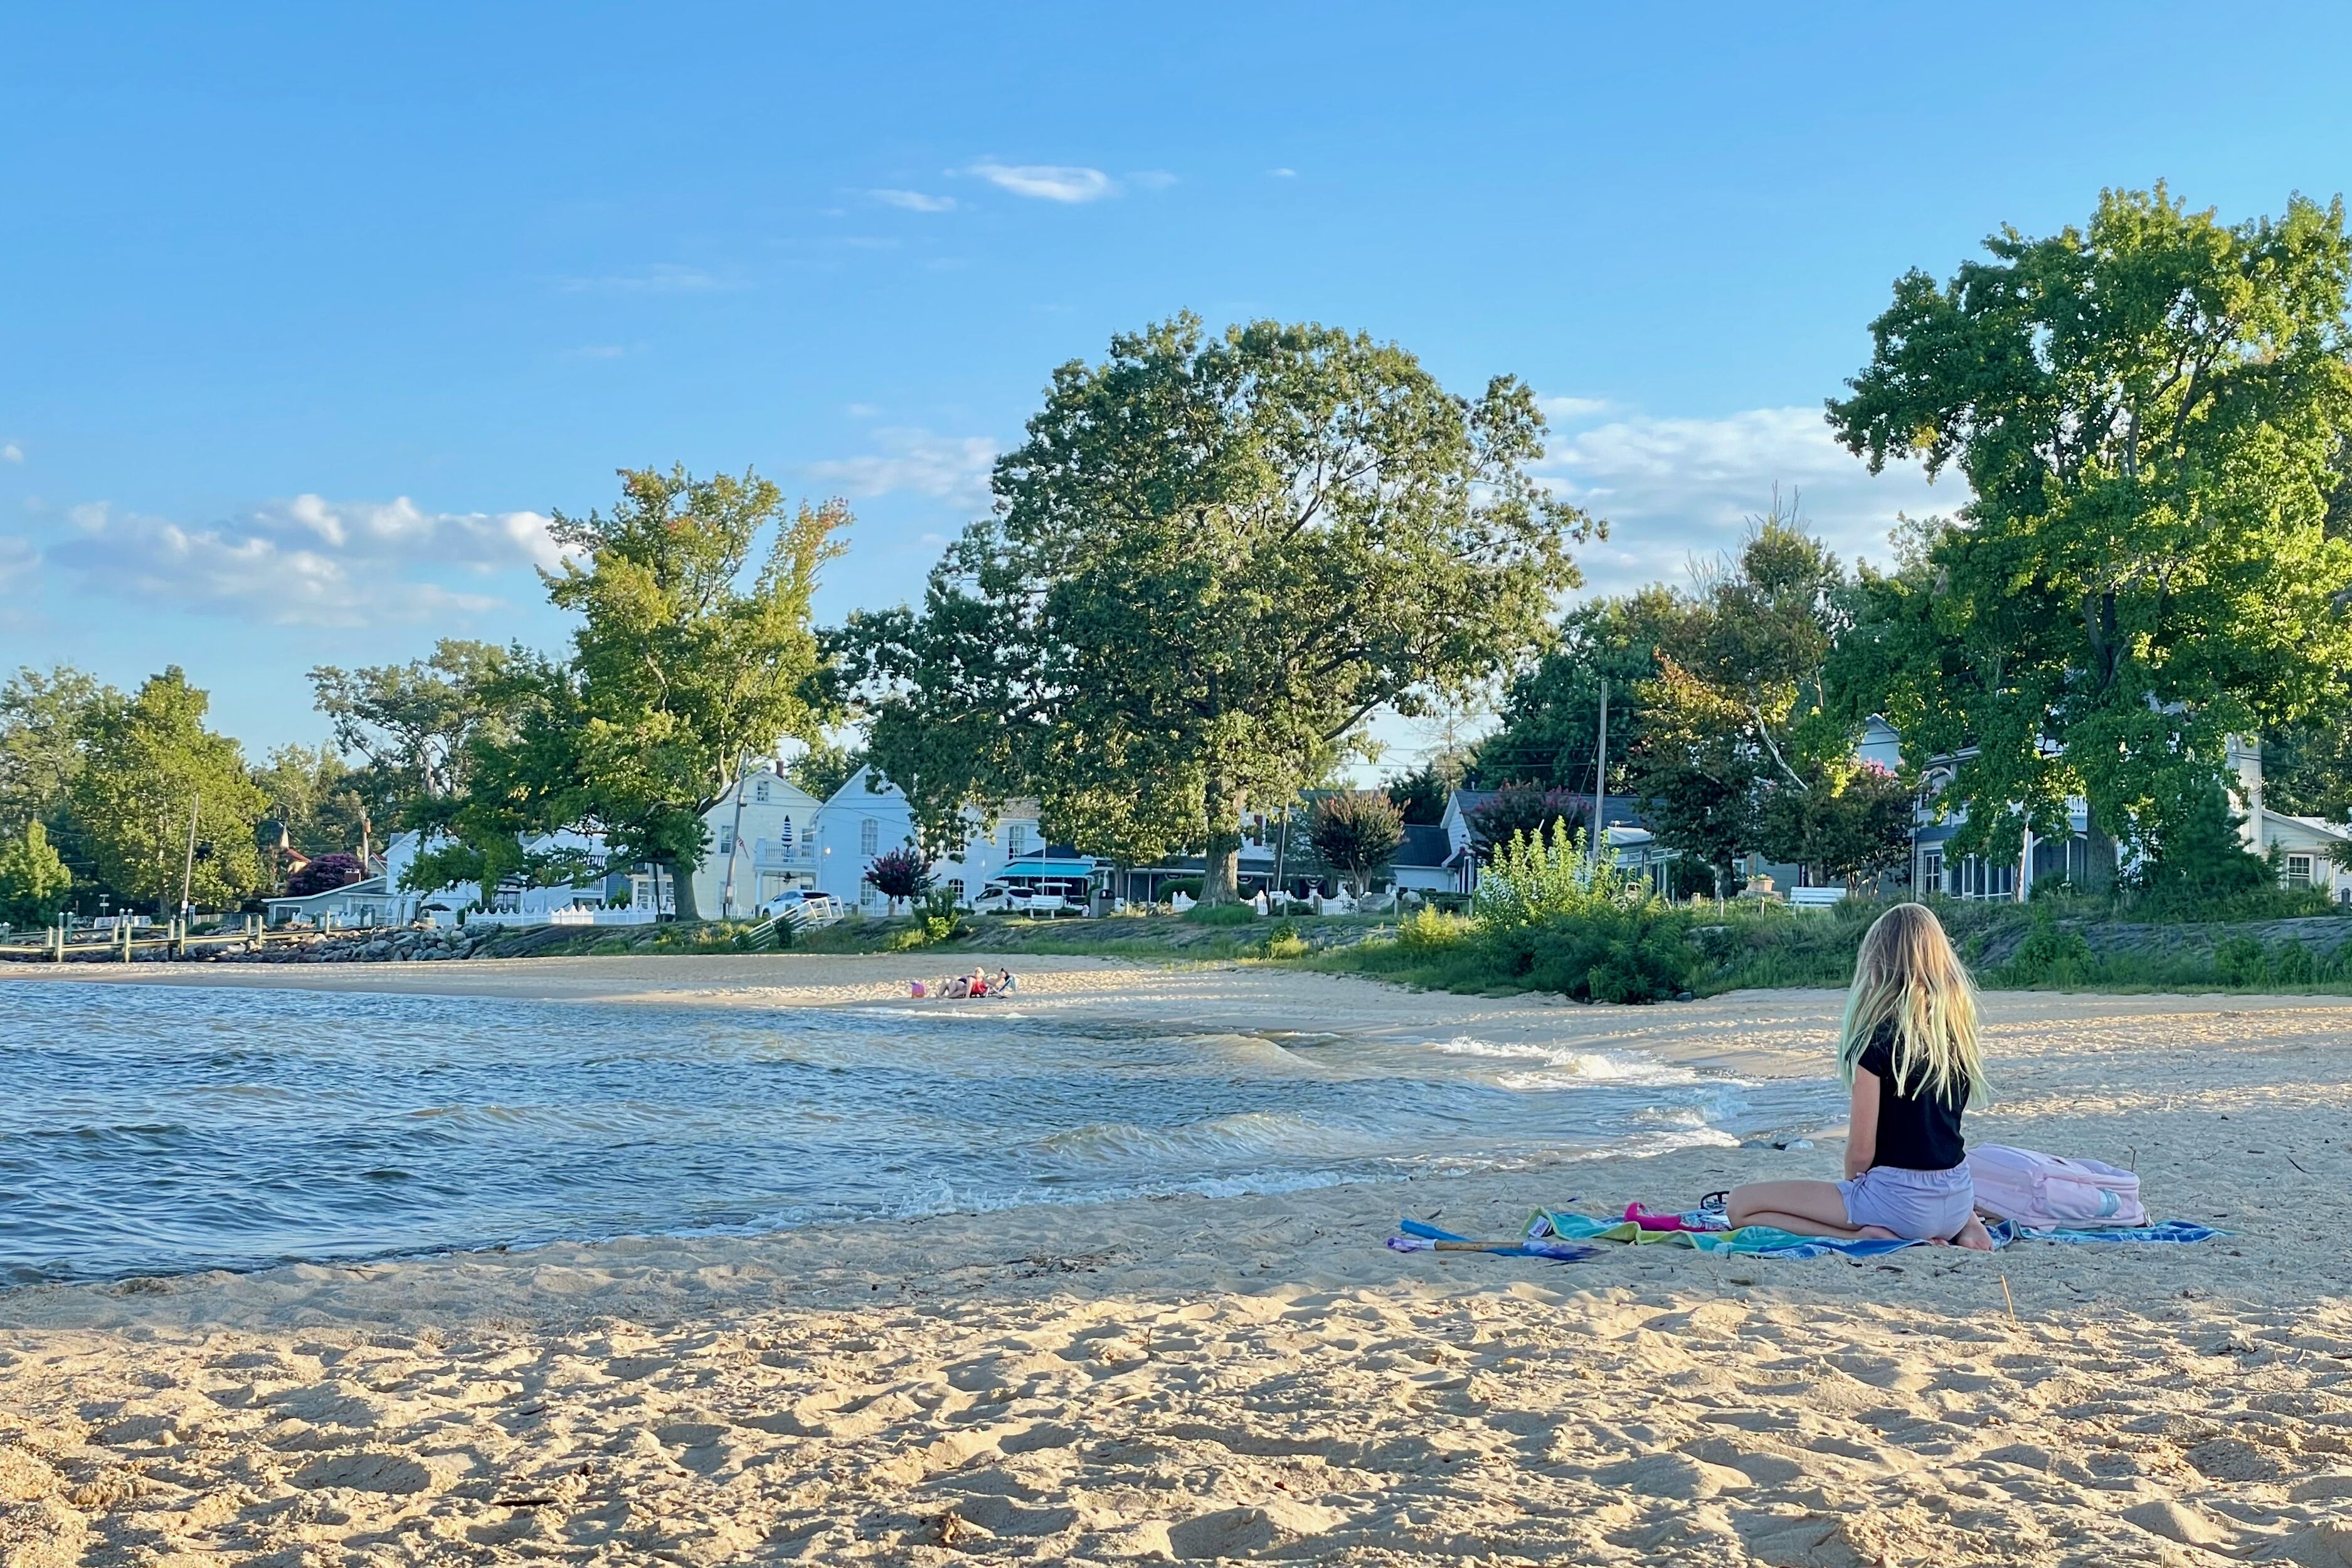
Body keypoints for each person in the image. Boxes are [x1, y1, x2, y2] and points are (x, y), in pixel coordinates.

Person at [1725, 903, 1993, 1249]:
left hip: (1899, 1204)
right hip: (1958, 1200)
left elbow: (1861, 1154)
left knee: (1740, 1205)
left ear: (1877, 964)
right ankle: (1965, 1228)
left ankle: (1867, 1234)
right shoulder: (1955, 1037)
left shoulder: (1875, 1041)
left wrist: (1855, 1197)